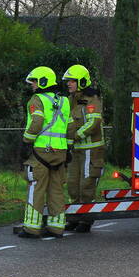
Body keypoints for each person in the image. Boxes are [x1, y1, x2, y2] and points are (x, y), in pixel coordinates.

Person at [20, 66, 71, 237]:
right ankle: (57, 227)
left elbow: (37, 122)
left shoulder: (37, 99)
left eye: (34, 81)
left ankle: (31, 228)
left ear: (43, 81)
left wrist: (26, 140)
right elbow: (70, 127)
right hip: (60, 153)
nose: (32, 85)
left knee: (36, 187)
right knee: (56, 189)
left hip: (41, 152)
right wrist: (67, 147)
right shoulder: (64, 101)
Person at [63, 64, 105, 204]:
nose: (68, 84)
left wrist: (75, 136)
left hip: (91, 151)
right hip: (75, 151)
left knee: (86, 186)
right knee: (72, 186)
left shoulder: (92, 99)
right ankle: (75, 217)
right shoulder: (69, 100)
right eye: (68, 81)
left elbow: (93, 124)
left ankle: (85, 221)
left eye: (72, 81)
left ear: (81, 81)